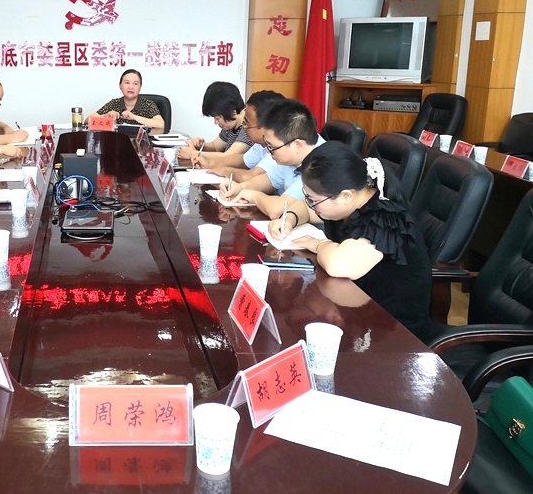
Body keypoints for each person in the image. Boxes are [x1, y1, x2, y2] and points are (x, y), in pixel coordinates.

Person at [266, 141, 432, 337]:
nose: (311, 204)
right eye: (308, 197)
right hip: (358, 308)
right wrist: (289, 219)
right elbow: (304, 208)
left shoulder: (384, 219)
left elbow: (338, 265)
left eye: (314, 199)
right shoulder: (348, 203)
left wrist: (318, 245)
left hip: (395, 330)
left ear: (345, 196)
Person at [226, 98, 326, 216]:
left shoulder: (319, 165)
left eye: (271, 147)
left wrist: (253, 195)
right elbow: (268, 180)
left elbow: (277, 210)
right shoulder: (293, 154)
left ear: (297, 145)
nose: (268, 151)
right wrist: (240, 187)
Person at [177, 82, 252, 167]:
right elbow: (215, 146)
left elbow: (228, 157)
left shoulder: (249, 127)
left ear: (232, 111)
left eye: (217, 118)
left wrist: (193, 154)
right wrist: (201, 146)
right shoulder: (231, 125)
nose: (216, 122)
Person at [96, 69, 164, 130]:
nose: (131, 87)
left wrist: (134, 117)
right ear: (120, 86)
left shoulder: (148, 104)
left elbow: (161, 124)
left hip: (143, 140)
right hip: (119, 139)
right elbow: (90, 120)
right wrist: (105, 116)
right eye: (127, 83)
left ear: (140, 87)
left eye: (135, 84)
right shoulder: (114, 103)